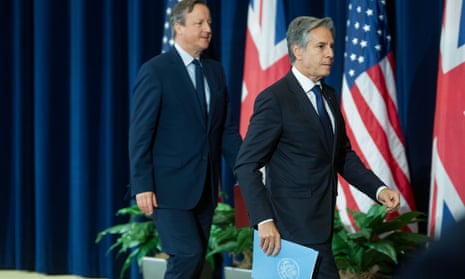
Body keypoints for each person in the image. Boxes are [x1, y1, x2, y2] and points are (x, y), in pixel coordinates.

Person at [234, 16, 400, 279]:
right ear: (297, 51)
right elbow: (246, 165)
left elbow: (341, 155)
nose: (330, 54)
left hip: (319, 225)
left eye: (331, 46)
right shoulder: (275, 99)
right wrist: (263, 220)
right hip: (286, 229)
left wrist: (378, 189)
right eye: (321, 47)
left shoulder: (329, 95)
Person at [128, 0, 242, 278]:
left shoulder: (215, 71)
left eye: (210, 23)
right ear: (178, 27)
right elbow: (140, 133)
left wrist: (248, 168)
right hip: (166, 190)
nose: (207, 29)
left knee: (195, 257)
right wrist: (142, 184)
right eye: (199, 23)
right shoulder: (156, 70)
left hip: (204, 188)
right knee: (187, 254)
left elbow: (225, 130)